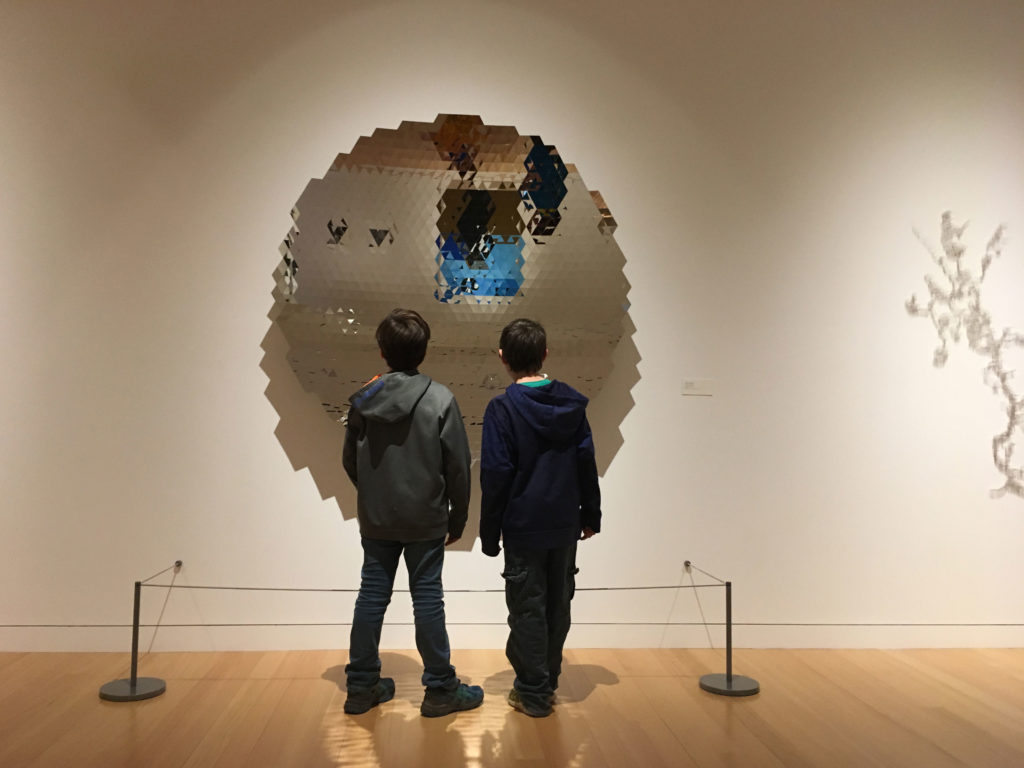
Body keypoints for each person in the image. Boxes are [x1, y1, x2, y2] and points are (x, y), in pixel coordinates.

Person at [341, 308, 484, 717]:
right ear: (423, 350)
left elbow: (349, 459)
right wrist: (457, 518)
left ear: (383, 351)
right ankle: (440, 689)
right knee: (427, 599)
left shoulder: (363, 398)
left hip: (377, 519)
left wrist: (373, 495)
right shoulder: (440, 398)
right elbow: (459, 466)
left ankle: (361, 686)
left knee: (371, 595)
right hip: (426, 519)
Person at [479, 318, 602, 717]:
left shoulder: (502, 409)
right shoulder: (572, 405)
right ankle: (545, 681)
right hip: (565, 524)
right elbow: (586, 462)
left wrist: (488, 531)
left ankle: (533, 691)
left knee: (527, 607)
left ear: (503, 358)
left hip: (523, 527)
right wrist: (591, 515)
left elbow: (496, 473)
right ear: (545, 354)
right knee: (558, 605)